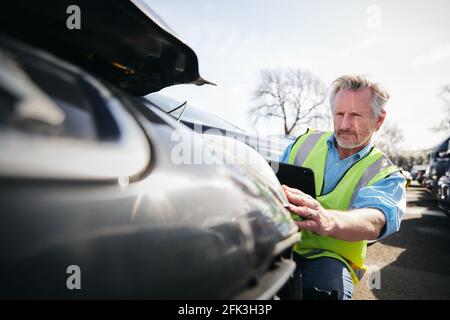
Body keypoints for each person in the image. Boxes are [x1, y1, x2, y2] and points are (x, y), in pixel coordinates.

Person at [278, 75, 406, 300]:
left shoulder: (386, 174)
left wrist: (329, 220)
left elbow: (376, 218)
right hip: (280, 245)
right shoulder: (302, 144)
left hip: (330, 259)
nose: (345, 124)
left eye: (356, 115)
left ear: (379, 119)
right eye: (339, 114)